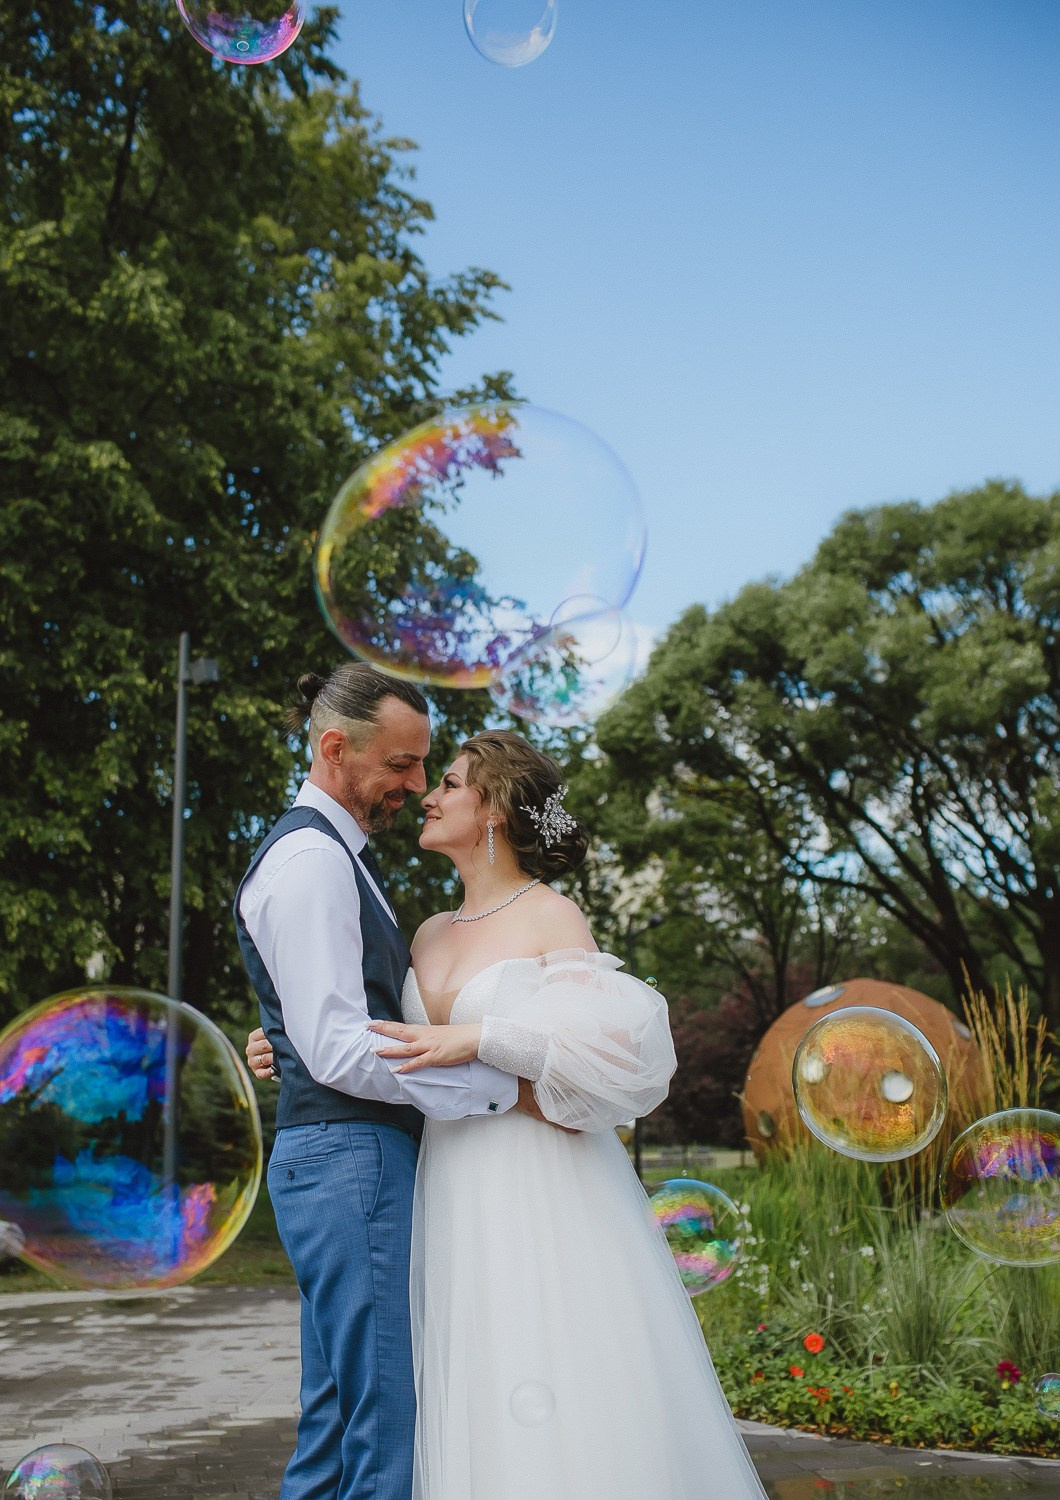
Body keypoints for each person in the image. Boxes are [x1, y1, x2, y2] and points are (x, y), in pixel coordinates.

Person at [253, 729, 769, 1499]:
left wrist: (484, 1036)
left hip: (540, 1185)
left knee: (547, 1367)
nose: (427, 794)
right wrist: (286, 1039)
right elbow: (375, 1036)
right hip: (442, 1182)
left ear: (493, 809)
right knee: (454, 1378)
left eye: (450, 783)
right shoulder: (423, 931)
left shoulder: (552, 917)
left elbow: (617, 1057)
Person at [234, 666, 548, 1500]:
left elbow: (319, 1024)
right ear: (336, 750)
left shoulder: (337, 856)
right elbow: (339, 1050)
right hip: (351, 1163)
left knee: (339, 1421)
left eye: (424, 767)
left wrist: (283, 1042)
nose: (415, 783)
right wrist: (491, 1088)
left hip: (342, 1160)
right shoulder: (311, 859)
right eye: (403, 765)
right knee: (382, 1424)